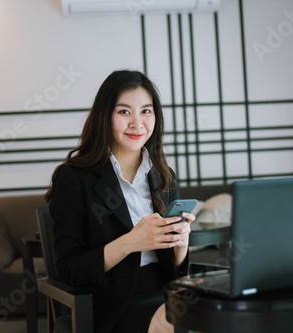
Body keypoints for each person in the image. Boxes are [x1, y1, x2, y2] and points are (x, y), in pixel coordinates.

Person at [45, 69, 195, 333]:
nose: (137, 124)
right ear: (105, 117)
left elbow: (177, 269)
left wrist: (181, 242)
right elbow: (70, 269)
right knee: (181, 324)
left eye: (146, 111)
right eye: (124, 112)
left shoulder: (163, 175)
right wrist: (131, 242)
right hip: (112, 302)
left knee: (229, 314)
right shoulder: (74, 177)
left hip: (167, 291)